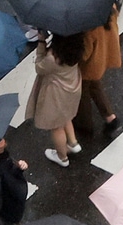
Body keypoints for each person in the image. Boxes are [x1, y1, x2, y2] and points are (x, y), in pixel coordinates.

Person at [26, 33, 85, 167]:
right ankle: (73, 142)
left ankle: (62, 157)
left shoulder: (53, 58)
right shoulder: (78, 48)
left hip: (56, 93)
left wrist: (41, 44)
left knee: (56, 126)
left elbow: (39, 68)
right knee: (66, 116)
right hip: (72, 86)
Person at [78, 4, 122, 137]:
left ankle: (84, 125)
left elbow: (85, 54)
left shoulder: (90, 29)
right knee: (95, 87)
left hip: (90, 66)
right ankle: (110, 117)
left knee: (82, 94)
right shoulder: (110, 13)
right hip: (104, 58)